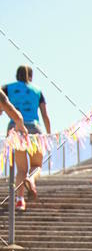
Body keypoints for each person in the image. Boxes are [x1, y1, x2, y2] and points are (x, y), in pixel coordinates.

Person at [3, 65, 51, 211]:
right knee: (37, 166)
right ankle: (31, 180)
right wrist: (48, 134)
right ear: (31, 76)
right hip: (35, 129)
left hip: (15, 128)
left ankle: (20, 200)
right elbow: (45, 114)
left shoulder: (7, 88)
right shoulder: (37, 91)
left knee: (21, 169)